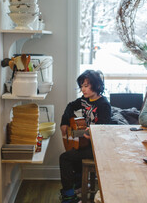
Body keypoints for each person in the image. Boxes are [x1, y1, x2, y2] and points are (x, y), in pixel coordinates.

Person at [59, 70, 111, 203]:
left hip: (98, 148)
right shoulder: (84, 100)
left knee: (64, 158)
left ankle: (68, 194)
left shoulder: (104, 104)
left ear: (97, 85)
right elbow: (70, 106)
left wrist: (92, 132)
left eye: (86, 86)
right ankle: (78, 186)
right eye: (82, 86)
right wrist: (65, 122)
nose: (83, 89)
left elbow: (104, 129)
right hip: (86, 143)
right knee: (73, 153)